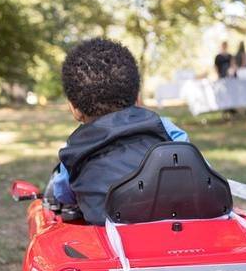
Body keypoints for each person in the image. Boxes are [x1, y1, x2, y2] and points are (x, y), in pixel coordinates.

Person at [50, 38, 188, 225]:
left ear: (74, 109)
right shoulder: (164, 127)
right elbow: (196, 165)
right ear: (138, 99)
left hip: (111, 237)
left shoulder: (74, 148)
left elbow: (63, 193)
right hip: (176, 224)